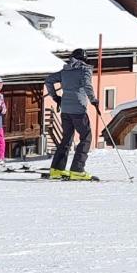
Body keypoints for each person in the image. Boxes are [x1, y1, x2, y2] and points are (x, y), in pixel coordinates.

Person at [44, 48, 100, 181]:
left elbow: (48, 81)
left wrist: (56, 97)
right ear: (84, 59)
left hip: (65, 110)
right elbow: (87, 85)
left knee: (67, 138)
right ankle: (77, 170)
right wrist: (93, 100)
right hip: (78, 110)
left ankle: (57, 170)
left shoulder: (65, 71)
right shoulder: (84, 70)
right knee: (86, 137)